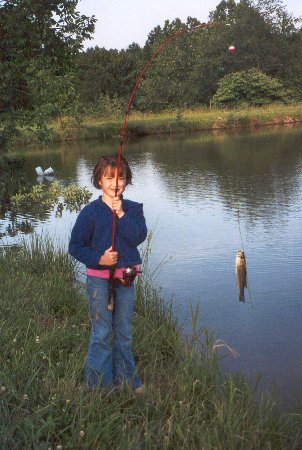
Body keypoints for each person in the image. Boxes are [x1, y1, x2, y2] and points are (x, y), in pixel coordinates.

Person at [69, 154, 147, 393]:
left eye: (120, 177)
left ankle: (127, 380)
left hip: (126, 280)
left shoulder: (133, 209)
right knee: (101, 333)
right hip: (98, 281)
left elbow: (138, 237)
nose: (115, 183)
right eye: (109, 177)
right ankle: (99, 385)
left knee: (123, 332)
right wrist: (99, 259)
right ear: (99, 181)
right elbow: (75, 247)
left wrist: (121, 214)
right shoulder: (90, 212)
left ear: (127, 180)